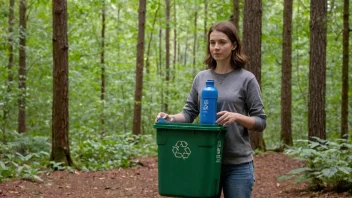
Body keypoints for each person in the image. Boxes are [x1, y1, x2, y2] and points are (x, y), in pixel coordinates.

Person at [155, 21, 266, 198]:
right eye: (212, 42)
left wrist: (236, 117)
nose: (216, 47)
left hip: (237, 164)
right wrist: (169, 118)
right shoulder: (201, 78)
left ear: (234, 45)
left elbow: (260, 122)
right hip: (203, 160)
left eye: (222, 42)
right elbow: (189, 113)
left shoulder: (247, 79)